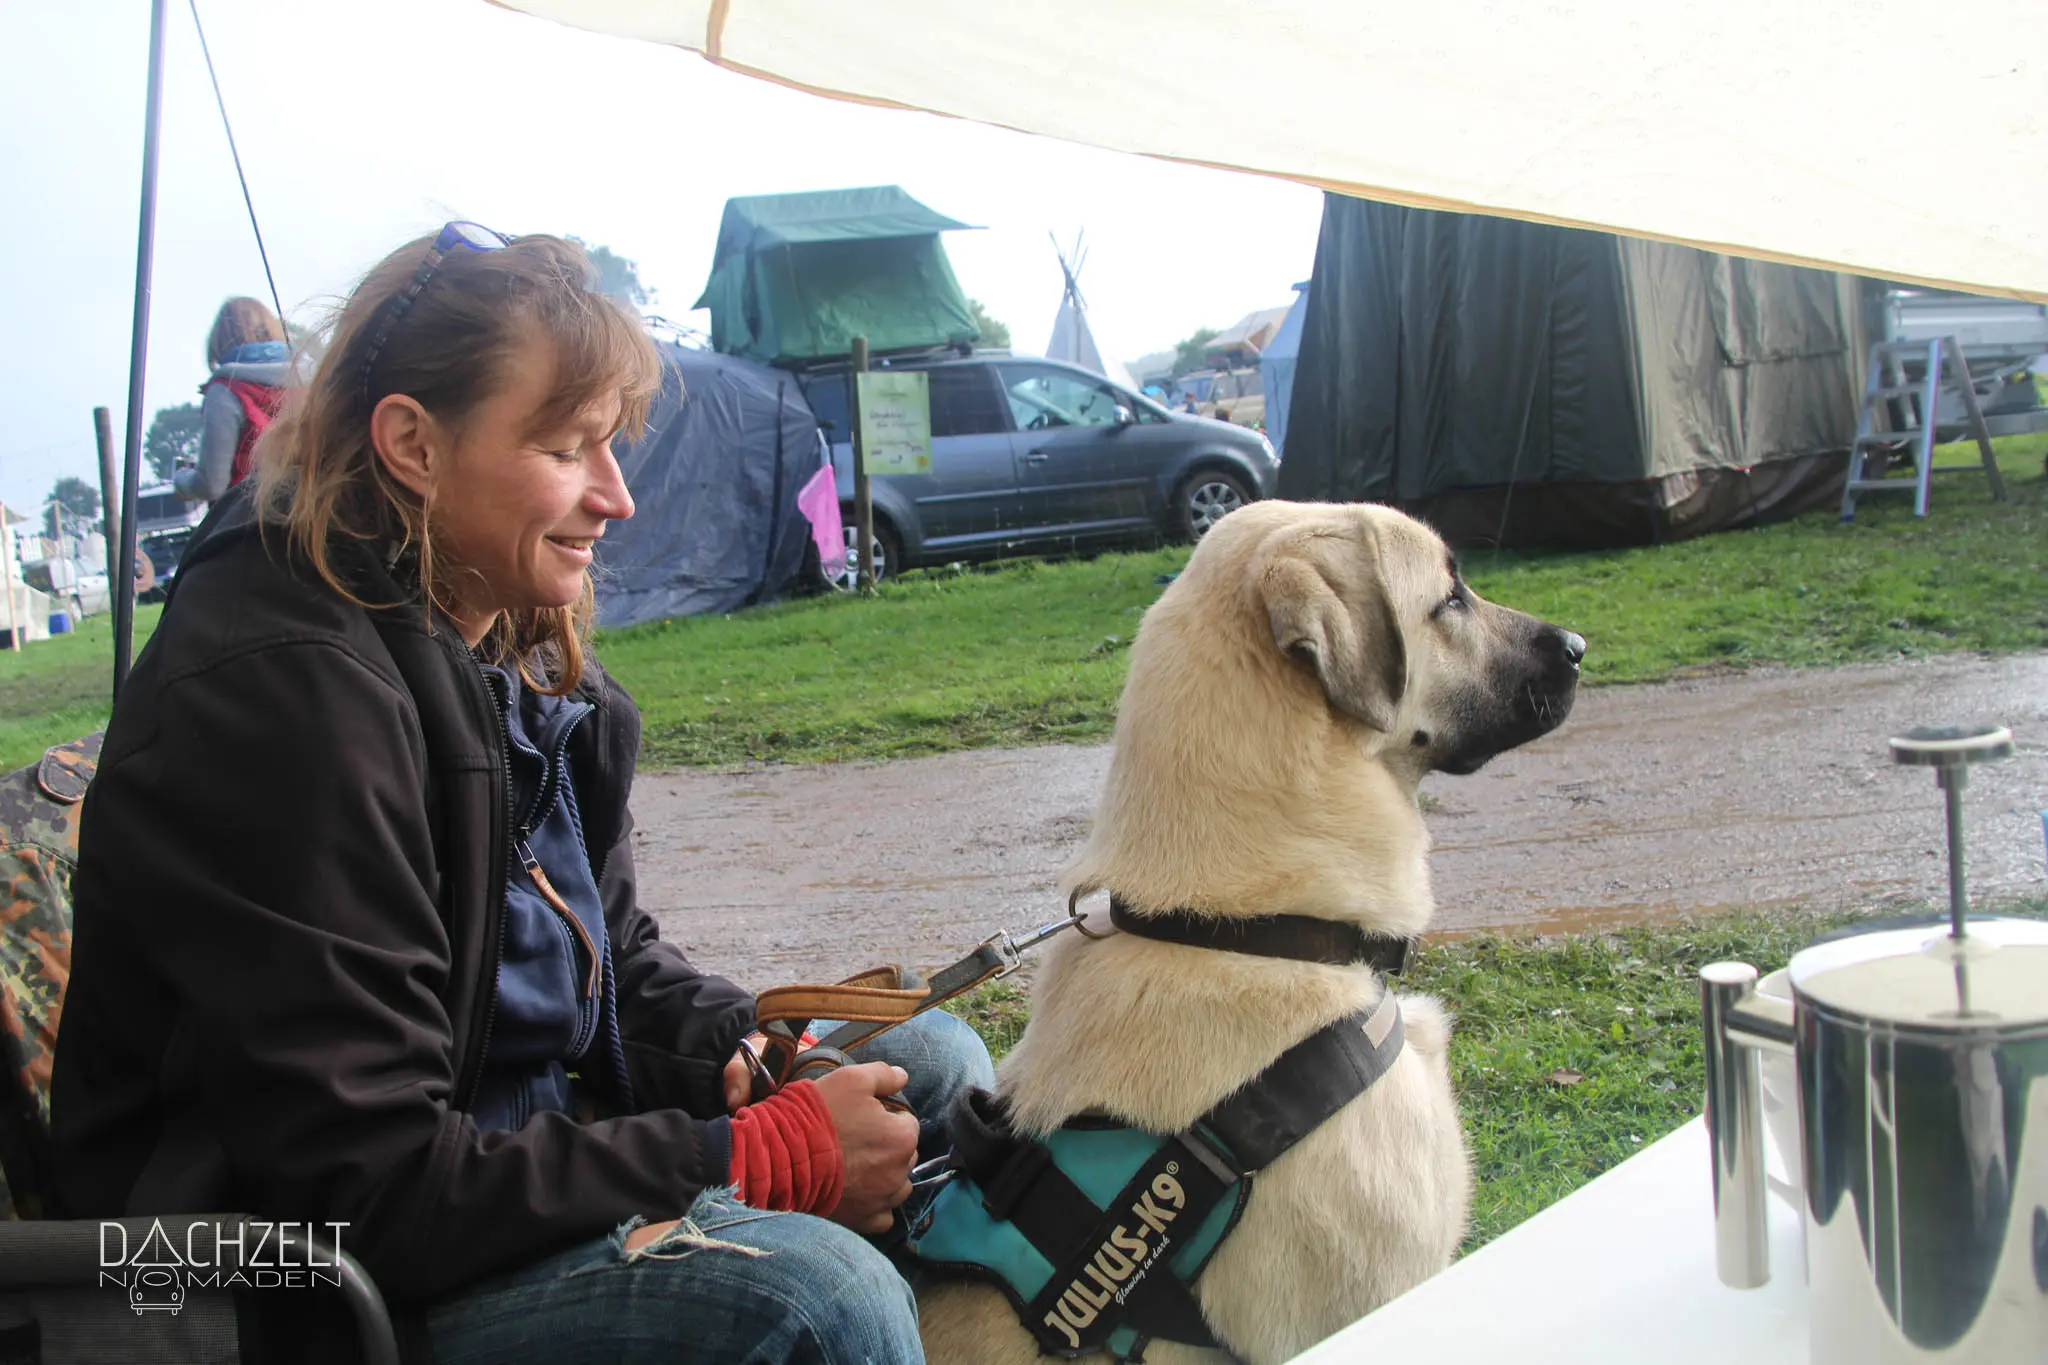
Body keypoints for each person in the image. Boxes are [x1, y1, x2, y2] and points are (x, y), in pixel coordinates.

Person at [52, 225, 993, 1364]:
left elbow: (604, 959)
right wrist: (743, 1156)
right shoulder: (282, 698)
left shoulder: (483, 632)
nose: (616, 498)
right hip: (281, 1286)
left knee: (928, 1055)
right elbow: (365, 1183)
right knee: (813, 1300)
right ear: (412, 443)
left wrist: (740, 1048)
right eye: (566, 449)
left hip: (493, 1156)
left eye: (610, 446)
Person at [174, 296, 292, 502]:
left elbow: (212, 486)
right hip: (312, 514)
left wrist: (181, 479)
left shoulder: (225, 391)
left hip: (251, 519)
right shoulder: (308, 380)